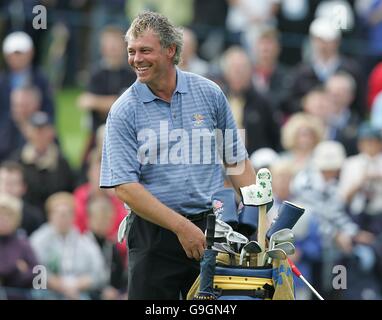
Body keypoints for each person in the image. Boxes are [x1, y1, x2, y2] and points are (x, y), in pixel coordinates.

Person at [100, 11, 256, 300]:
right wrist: (181, 227)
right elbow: (125, 188)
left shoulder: (210, 93)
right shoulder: (123, 110)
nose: (136, 59)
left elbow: (236, 161)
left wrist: (259, 223)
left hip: (212, 230)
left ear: (170, 50)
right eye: (131, 52)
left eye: (145, 50)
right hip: (153, 236)